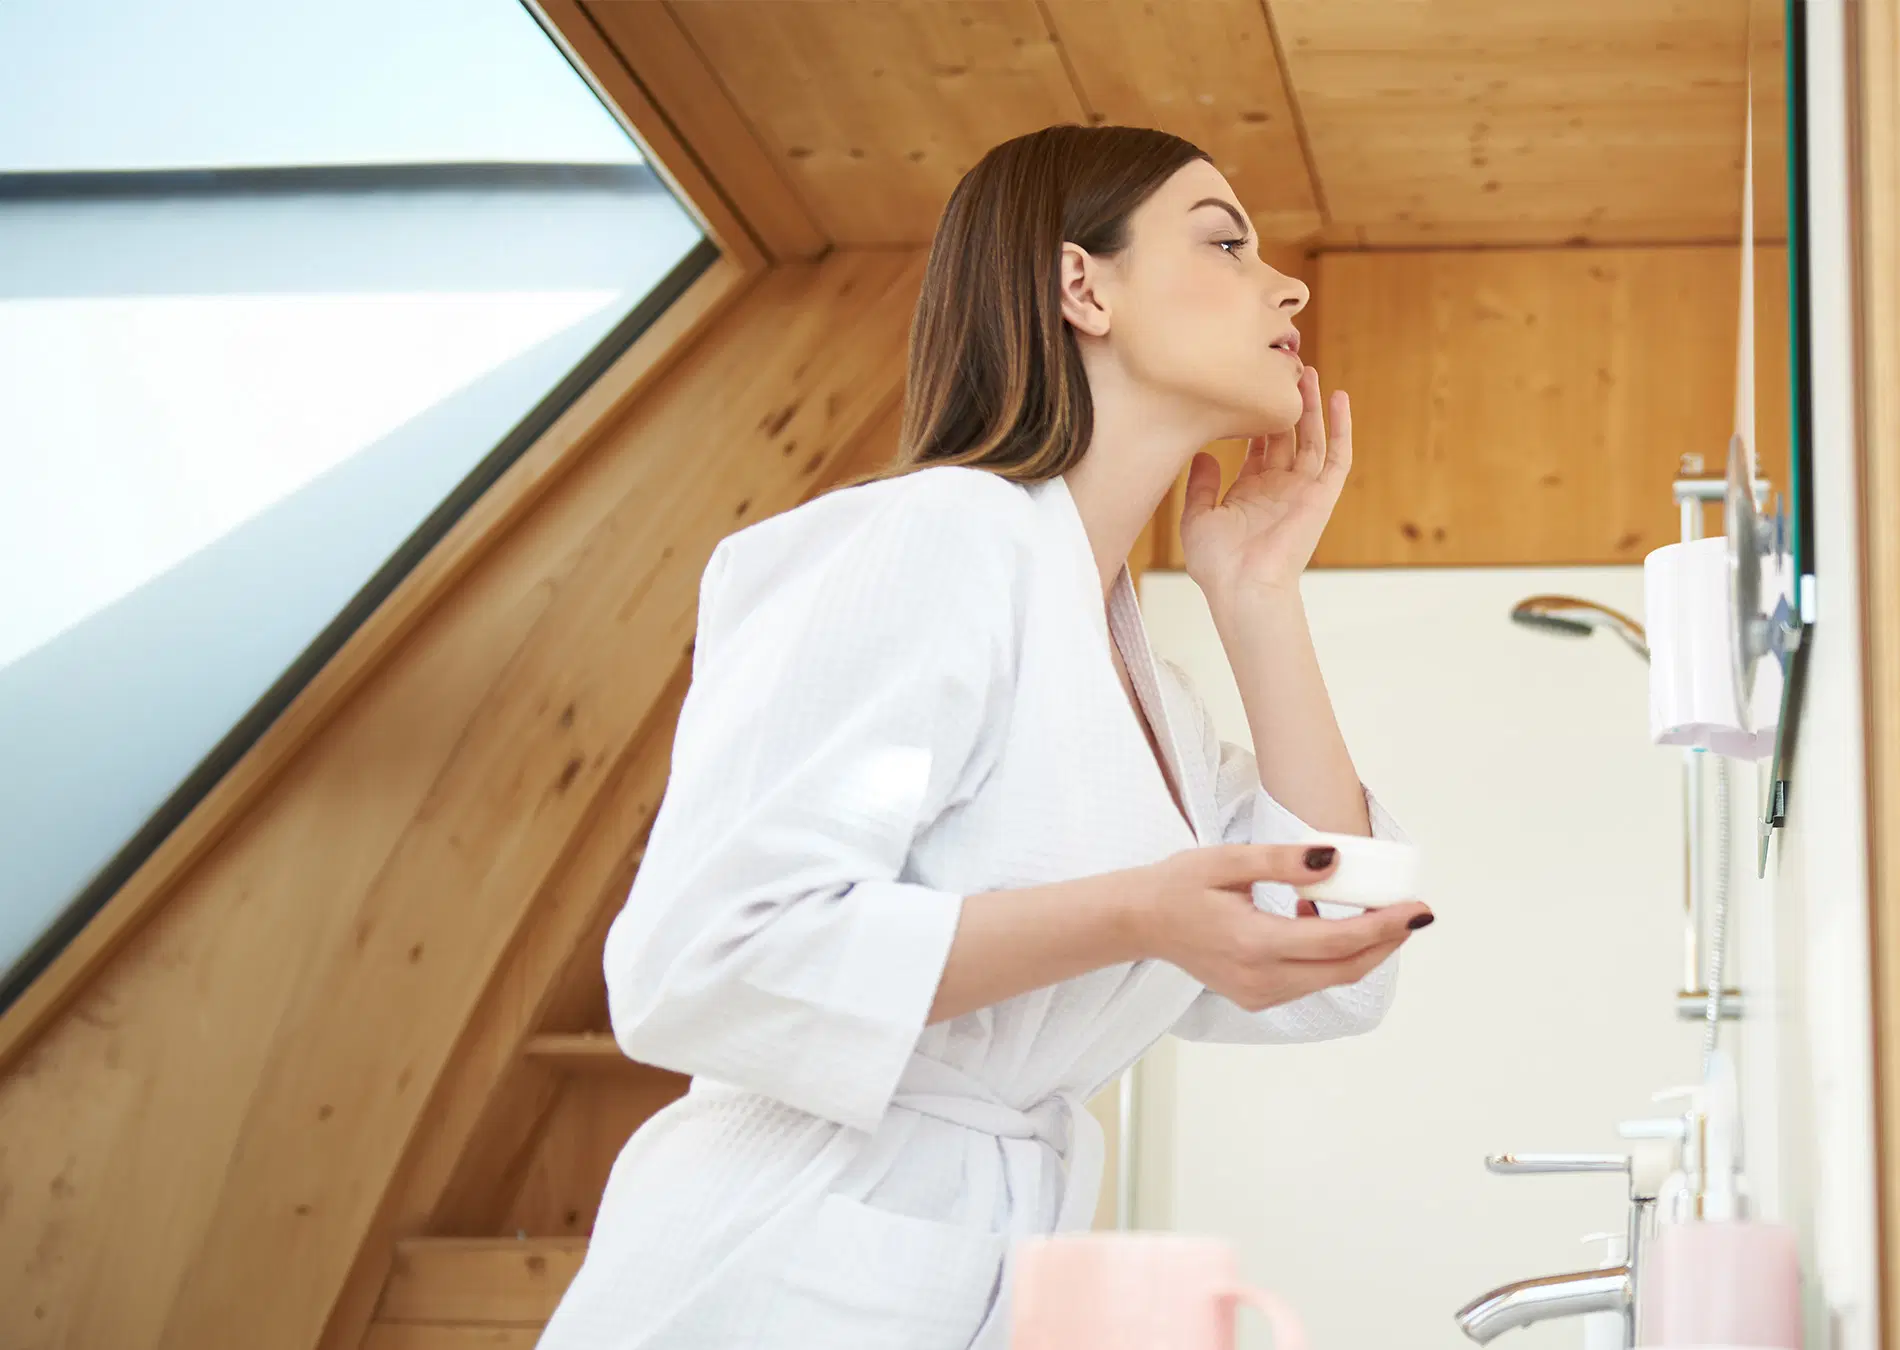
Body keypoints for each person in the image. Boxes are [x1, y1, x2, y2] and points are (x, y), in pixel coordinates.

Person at [536, 124, 1435, 1350]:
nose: (1290, 288)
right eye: (1226, 243)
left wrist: (1262, 600)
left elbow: (1342, 963)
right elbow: (701, 957)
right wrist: (1135, 914)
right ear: (1083, 286)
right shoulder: (930, 538)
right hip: (777, 1258)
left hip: (986, 1267)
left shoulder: (1147, 693)